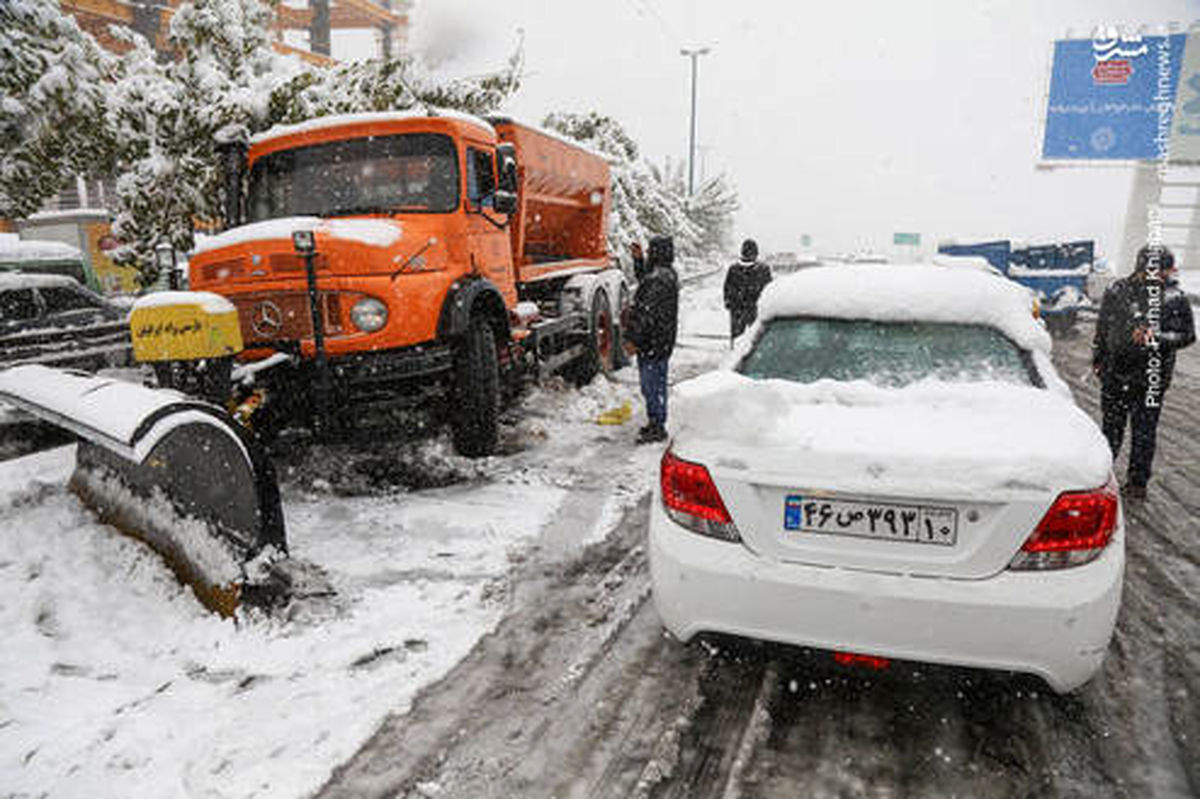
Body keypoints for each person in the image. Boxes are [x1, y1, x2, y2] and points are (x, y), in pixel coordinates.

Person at [1092, 244, 1196, 499]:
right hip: (1115, 374)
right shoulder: (1117, 290)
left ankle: (1137, 483)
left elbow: (1187, 335)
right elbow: (1103, 328)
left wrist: (1155, 337)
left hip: (1152, 379)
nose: (1167, 274)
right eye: (1163, 269)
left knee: (1144, 433)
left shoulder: (1175, 297)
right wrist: (1098, 358)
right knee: (1110, 430)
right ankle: (1100, 478)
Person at [626, 235, 679, 444]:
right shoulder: (664, 274)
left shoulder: (659, 279)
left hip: (653, 342)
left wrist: (633, 339)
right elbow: (645, 280)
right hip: (661, 340)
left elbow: (645, 314)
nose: (647, 253)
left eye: (649, 251)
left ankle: (657, 426)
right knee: (656, 383)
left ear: (657, 253)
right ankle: (656, 422)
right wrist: (638, 261)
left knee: (652, 385)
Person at [723, 238, 773, 344]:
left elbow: (727, 288)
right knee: (757, 339)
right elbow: (769, 290)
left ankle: (737, 356)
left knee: (737, 339)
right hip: (755, 309)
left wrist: (730, 303)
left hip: (738, 310)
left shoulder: (734, 269)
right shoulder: (763, 269)